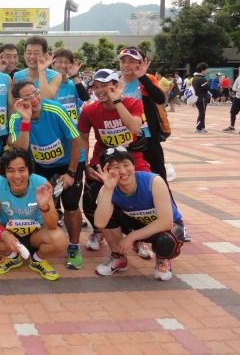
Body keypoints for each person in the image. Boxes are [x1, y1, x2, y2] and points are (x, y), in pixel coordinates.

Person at [9, 81, 86, 270]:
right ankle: (44, 240)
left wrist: (70, 173)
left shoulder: (55, 109)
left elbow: (76, 141)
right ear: (18, 102)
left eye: (35, 93)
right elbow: (20, 150)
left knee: (71, 204)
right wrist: (26, 120)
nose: (34, 99)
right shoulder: (15, 119)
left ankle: (74, 246)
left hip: (70, 162)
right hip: (42, 165)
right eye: (27, 98)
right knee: (43, 204)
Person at [77, 68, 149, 253]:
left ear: (116, 86)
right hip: (103, 159)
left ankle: (139, 237)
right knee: (90, 198)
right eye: (96, 87)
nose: (99, 90)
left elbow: (135, 128)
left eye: (105, 86)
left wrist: (117, 101)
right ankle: (98, 232)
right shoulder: (89, 110)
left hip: (132, 159)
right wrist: (86, 165)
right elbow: (83, 137)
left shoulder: (133, 103)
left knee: (144, 194)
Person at [93, 147, 184, 281]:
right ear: (106, 170)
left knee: (165, 241)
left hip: (166, 227)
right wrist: (108, 189)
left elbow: (166, 222)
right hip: (136, 222)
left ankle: (163, 260)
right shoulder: (107, 189)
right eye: (116, 167)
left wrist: (132, 237)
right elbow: (100, 223)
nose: (123, 171)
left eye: (126, 165)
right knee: (107, 213)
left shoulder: (153, 181)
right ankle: (118, 257)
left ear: (134, 165)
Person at [0, 147, 67, 280]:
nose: (17, 176)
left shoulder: (41, 183)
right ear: (4, 172)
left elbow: (53, 225)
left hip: (36, 234)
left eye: (22, 170)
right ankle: (11, 257)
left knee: (60, 239)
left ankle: (38, 260)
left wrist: (44, 207)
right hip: (8, 232)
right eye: (10, 170)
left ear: (29, 170)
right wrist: (5, 235)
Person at [118, 47, 170, 180]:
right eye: (123, 61)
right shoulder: (116, 82)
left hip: (147, 136)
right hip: (123, 137)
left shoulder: (146, 79)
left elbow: (160, 99)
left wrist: (142, 77)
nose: (126, 65)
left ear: (140, 63)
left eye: (131, 61)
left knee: (156, 173)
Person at [12, 36, 62, 100]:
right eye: (29, 53)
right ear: (24, 55)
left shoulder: (55, 76)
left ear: (45, 55)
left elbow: (47, 98)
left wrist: (42, 71)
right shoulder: (17, 76)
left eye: (36, 53)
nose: (32, 57)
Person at [51, 48, 90, 123]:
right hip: (56, 128)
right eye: (60, 62)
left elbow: (85, 98)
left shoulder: (74, 84)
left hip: (74, 129)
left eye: (67, 62)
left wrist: (74, 76)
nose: (63, 65)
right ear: (52, 64)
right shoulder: (47, 87)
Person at [192, 63, 210, 133]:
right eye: (206, 70)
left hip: (197, 97)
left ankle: (202, 127)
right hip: (202, 98)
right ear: (202, 70)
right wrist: (209, 82)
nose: (206, 71)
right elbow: (207, 88)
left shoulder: (194, 78)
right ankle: (199, 128)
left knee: (201, 112)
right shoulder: (202, 79)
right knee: (202, 113)